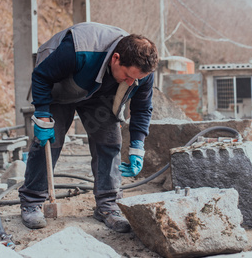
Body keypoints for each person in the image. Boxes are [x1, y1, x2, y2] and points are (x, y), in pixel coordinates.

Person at [18, 22, 159, 233]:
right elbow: (41, 76)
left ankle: (108, 206)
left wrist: (138, 145)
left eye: (136, 79)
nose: (131, 83)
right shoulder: (77, 50)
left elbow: (142, 108)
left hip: (99, 95)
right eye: (128, 76)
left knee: (110, 142)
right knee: (49, 140)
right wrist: (42, 114)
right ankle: (31, 202)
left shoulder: (142, 73)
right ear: (116, 58)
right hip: (60, 87)